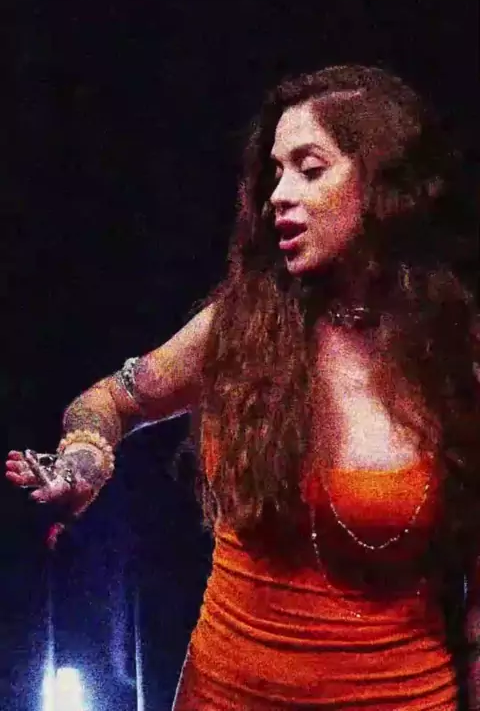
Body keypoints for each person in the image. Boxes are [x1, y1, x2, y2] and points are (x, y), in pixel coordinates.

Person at [6, 64, 480, 710]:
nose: (279, 195)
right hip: (224, 694)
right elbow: (112, 398)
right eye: (275, 173)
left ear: (385, 184)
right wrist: (83, 460)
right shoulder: (242, 326)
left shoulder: (455, 357)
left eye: (309, 169)